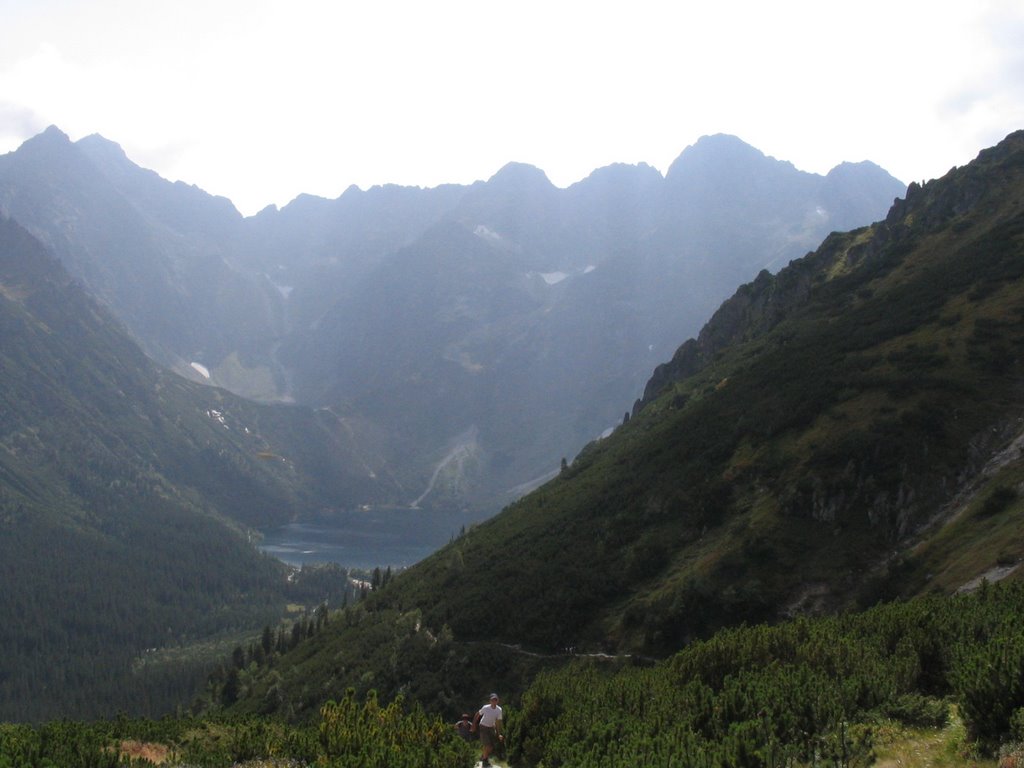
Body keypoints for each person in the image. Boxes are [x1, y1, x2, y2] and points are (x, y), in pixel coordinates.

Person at [471, 693, 503, 767]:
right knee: (487, 745)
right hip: (483, 726)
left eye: (495, 700)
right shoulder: (486, 708)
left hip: (491, 727)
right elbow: (477, 714)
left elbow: (498, 723)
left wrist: (499, 734)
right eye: (492, 700)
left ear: (497, 701)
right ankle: (485, 760)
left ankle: (484, 756)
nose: (494, 701)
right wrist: (473, 725)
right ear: (490, 701)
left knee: (491, 747)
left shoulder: (499, 710)